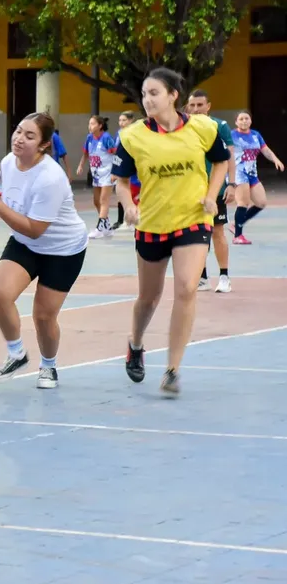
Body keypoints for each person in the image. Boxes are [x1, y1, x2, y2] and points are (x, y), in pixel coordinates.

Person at [112, 68, 231, 396]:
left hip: (193, 219)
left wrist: (213, 194)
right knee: (148, 298)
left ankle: (172, 369)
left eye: (154, 93)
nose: (147, 99)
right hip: (151, 223)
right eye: (144, 94)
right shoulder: (133, 135)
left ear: (173, 95)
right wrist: (129, 206)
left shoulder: (204, 128)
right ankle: (135, 344)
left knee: (186, 289)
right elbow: (120, 182)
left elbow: (221, 161)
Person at [0, 113, 89, 389]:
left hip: (62, 249)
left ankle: (49, 366)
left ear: (43, 145)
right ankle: (16, 353)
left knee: (43, 315)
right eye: (18, 131)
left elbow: (35, 228)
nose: (19, 139)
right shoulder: (7, 162)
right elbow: (19, 214)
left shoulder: (50, 178)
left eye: (29, 136)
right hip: (25, 243)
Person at [185, 89, 236, 293]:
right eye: (192, 105)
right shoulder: (183, 127)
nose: (196, 109)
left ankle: (224, 276)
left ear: (208, 106)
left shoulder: (219, 126)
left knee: (217, 231)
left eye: (200, 105)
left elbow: (229, 157)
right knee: (196, 235)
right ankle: (202, 278)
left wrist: (232, 184)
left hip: (215, 189)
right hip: (192, 190)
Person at [228, 110, 284, 245]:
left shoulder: (255, 135)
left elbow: (265, 150)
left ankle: (236, 224)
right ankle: (238, 236)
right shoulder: (232, 135)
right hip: (238, 173)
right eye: (241, 119)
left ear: (250, 121)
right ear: (236, 122)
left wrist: (276, 159)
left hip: (252, 173)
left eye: (246, 118)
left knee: (261, 202)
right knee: (243, 202)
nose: (244, 121)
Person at [75, 115, 117, 239]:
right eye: (89, 124)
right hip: (96, 175)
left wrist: (116, 172)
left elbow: (115, 154)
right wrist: (80, 165)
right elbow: (85, 154)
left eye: (93, 124)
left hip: (108, 174)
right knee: (96, 201)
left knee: (104, 201)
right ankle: (107, 227)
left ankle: (100, 228)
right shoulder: (89, 138)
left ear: (100, 125)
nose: (90, 126)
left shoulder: (106, 138)